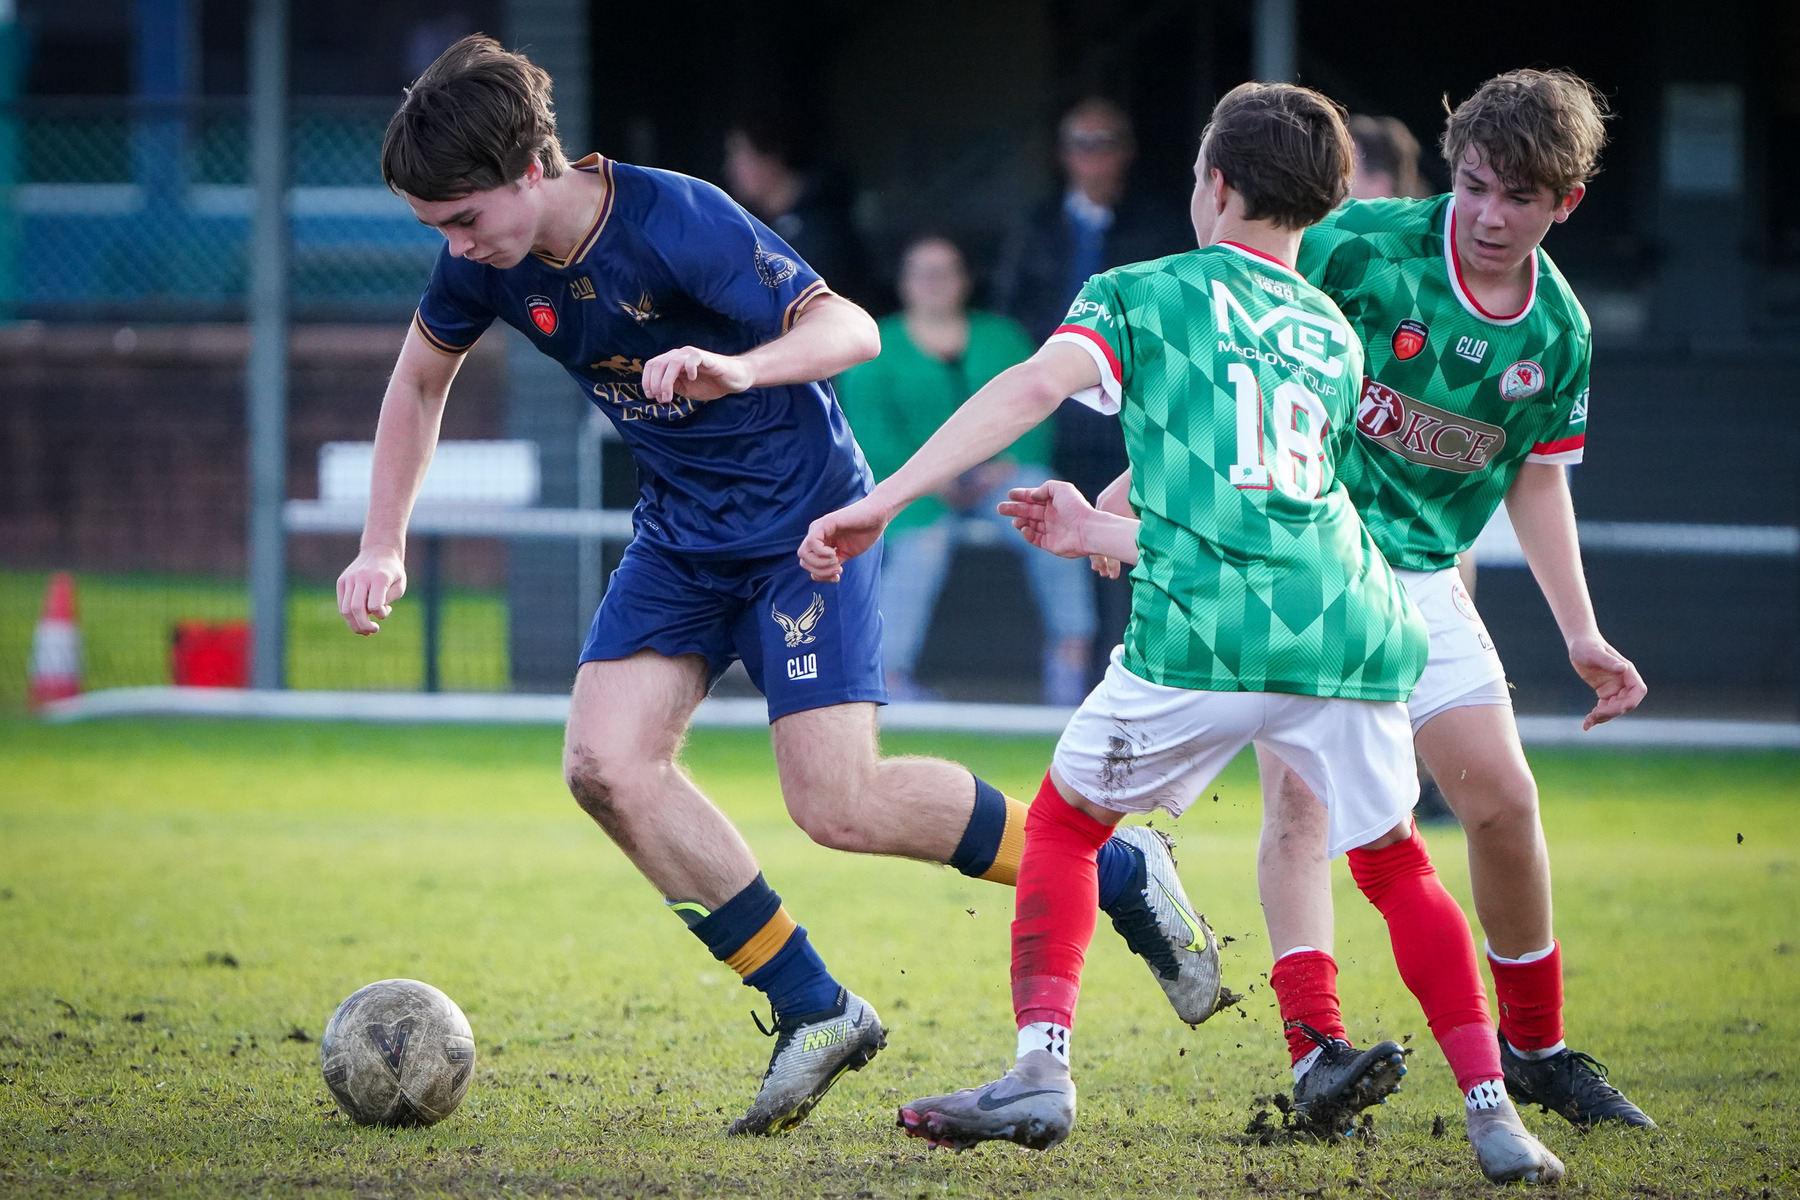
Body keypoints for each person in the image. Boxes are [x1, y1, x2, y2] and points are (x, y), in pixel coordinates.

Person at [335, 34, 1211, 1137]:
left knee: (838, 805)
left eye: (463, 220)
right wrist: (383, 543)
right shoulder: (485, 264)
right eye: (440, 232)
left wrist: (742, 365)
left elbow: (846, 327)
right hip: (681, 534)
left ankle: (1120, 866)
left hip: (806, 529)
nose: (456, 248)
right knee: (604, 765)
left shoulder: (675, 218)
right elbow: (418, 385)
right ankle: (813, 1007)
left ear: (527, 171)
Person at [800, 81, 1564, 1186]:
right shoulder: (1335, 339)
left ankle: (1041, 1066)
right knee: (1398, 865)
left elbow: (1025, 392)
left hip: (1201, 636)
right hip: (1343, 631)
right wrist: (1103, 523)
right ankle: (1495, 1110)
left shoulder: (1142, 292)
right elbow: (1275, 503)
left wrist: (889, 497)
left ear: (1213, 184)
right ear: (1323, 207)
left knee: (1065, 827)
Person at [1123, 69, 1648, 1132]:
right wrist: (1130, 489)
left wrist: (1581, 631)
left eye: (1522, 198)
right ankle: (1317, 1048)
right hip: (1300, 558)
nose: (1493, 215)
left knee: (1502, 800)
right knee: (1303, 805)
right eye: (1478, 185)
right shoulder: (1358, 245)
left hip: (1416, 580)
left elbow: (1538, 476)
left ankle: (1536, 1047)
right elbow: (1232, 349)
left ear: (1567, 203)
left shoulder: (1558, 333)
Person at [834, 234, 1095, 705]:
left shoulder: (1003, 337)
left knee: (1052, 510)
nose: (934, 283)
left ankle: (1070, 663)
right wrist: (936, 480)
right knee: (921, 546)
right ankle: (889, 679)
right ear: (904, 283)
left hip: (999, 486)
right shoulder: (877, 346)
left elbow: (1039, 409)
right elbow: (870, 437)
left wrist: (1002, 466)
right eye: (923, 272)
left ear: (965, 280)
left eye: (945, 271)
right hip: (915, 493)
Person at [993, 98, 1193, 677]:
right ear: (1063, 155)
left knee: (1132, 553)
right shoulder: (1036, 226)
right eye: (1081, 144)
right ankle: (1065, 682)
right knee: (1056, 541)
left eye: (1104, 142)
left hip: (1129, 420)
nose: (1093, 157)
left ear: (1126, 152)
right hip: (1051, 418)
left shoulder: (1159, 225)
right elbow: (1010, 322)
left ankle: (1133, 673)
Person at [724, 108, 871, 307]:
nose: (730, 168)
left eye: (741, 154)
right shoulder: (747, 224)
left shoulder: (826, 231)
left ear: (773, 157)